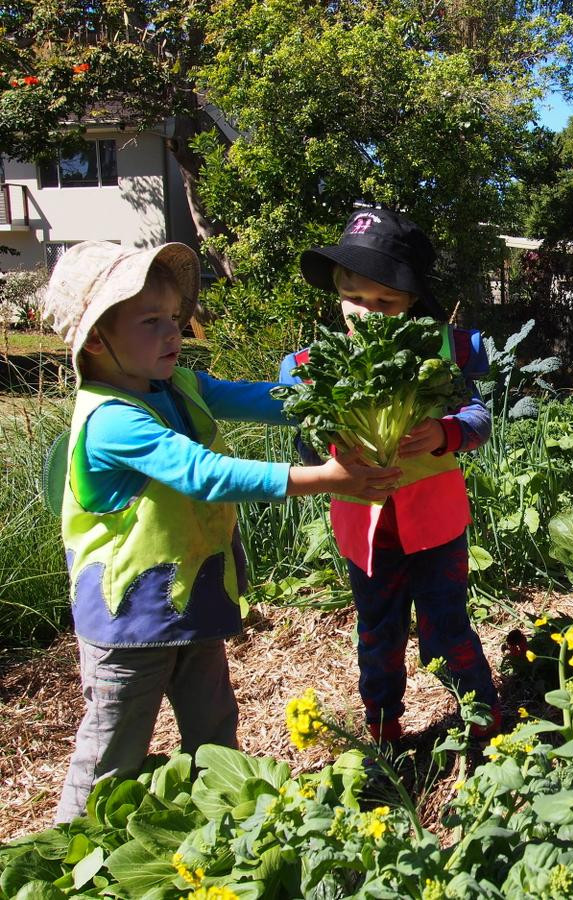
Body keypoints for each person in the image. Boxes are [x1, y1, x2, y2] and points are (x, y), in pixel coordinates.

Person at [42, 240, 399, 824]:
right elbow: (203, 474)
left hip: (190, 600)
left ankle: (222, 829)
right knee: (114, 746)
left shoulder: (176, 384)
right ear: (98, 340)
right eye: (150, 322)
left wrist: (334, 394)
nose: (172, 333)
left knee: (212, 729)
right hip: (128, 619)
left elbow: (261, 399)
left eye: (174, 319)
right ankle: (67, 855)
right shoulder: (112, 419)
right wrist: (324, 478)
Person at [279, 207, 501, 755]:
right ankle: (383, 728)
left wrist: (444, 432)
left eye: (387, 303)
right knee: (378, 633)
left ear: (411, 302)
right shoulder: (309, 364)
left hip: (437, 522)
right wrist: (324, 440)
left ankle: (482, 718)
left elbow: (480, 421)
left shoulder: (444, 354)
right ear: (337, 291)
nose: (370, 314)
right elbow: (303, 440)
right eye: (356, 298)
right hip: (366, 528)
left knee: (447, 627)